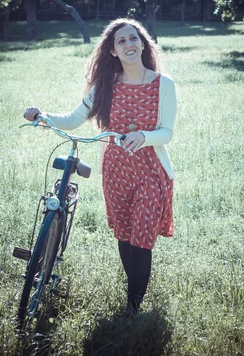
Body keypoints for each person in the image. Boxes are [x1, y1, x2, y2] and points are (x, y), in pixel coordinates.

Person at [23, 18, 177, 313]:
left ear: (143, 43)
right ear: (113, 52)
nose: (129, 44)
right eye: (121, 41)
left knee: (142, 238)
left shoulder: (163, 85)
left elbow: (167, 132)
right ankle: (132, 296)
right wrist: (42, 116)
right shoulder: (105, 86)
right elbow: (73, 119)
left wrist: (143, 136)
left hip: (151, 171)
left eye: (134, 38)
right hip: (116, 172)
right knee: (125, 234)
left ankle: (133, 308)